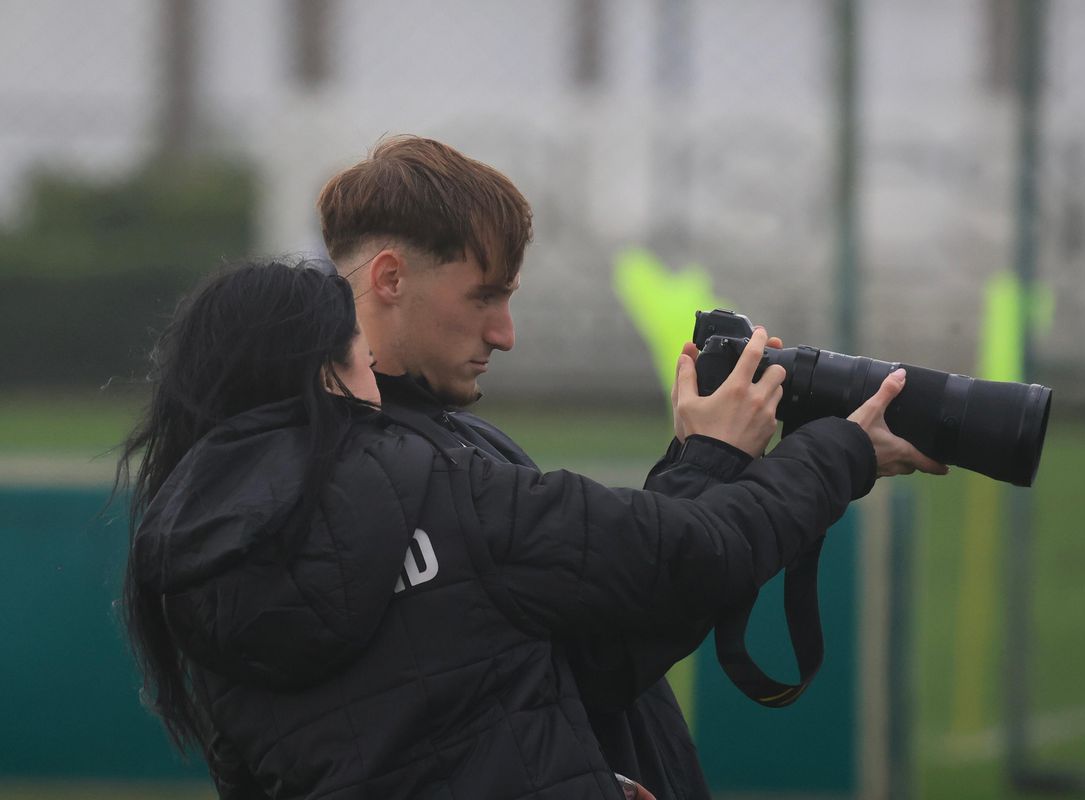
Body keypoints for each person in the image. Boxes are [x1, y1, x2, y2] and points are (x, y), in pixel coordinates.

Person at [117, 257, 928, 799]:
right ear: (322, 372)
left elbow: (497, 684)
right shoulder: (436, 483)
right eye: (360, 357)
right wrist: (839, 449)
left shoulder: (187, 560)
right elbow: (693, 559)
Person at [315, 135, 947, 798]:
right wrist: (751, 457)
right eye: (483, 298)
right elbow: (618, 633)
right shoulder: (387, 473)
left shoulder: (456, 443)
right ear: (389, 278)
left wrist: (702, 461)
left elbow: (597, 644)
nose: (505, 333)